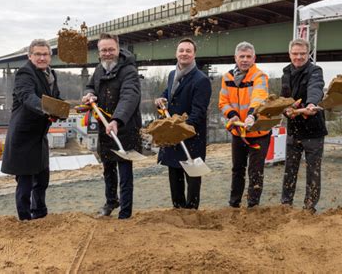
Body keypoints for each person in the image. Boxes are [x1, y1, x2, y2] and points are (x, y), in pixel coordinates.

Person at [82, 33, 141, 219]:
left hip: (124, 127)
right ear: (99, 53)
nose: (107, 53)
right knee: (108, 167)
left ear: (118, 49)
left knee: (124, 171)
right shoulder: (99, 69)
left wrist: (117, 120)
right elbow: (90, 86)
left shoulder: (129, 70)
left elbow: (129, 97)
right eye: (103, 50)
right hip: (104, 127)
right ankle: (110, 201)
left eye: (110, 49)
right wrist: (89, 95)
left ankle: (125, 211)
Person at [1, 39, 61, 221]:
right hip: (23, 137)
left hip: (39, 135)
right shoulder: (24, 74)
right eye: (38, 54)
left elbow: (55, 98)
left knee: (42, 180)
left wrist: (65, 108)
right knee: (25, 183)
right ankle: (25, 219)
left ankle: (40, 214)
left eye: (45, 54)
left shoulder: (51, 74)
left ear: (50, 57)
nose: (42, 58)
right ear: (30, 56)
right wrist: (49, 110)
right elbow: (29, 97)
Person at [154, 38, 211, 209]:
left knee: (192, 178)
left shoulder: (201, 80)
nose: (184, 53)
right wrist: (161, 99)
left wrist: (181, 129)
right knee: (174, 174)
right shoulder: (173, 74)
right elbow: (169, 94)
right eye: (181, 50)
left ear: (194, 54)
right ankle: (177, 209)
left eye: (188, 50)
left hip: (191, 136)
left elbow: (198, 112)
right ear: (176, 53)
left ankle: (192, 211)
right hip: (173, 136)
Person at [219, 41, 271, 208]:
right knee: (237, 170)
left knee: (255, 171)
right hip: (238, 132)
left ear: (254, 58)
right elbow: (223, 102)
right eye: (242, 56)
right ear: (236, 58)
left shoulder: (259, 76)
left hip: (258, 133)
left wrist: (251, 115)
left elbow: (259, 96)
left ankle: (253, 206)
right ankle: (234, 204)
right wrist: (232, 115)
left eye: (248, 57)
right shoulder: (227, 78)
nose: (245, 60)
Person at [280, 38, 328, 213]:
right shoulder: (286, 72)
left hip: (314, 131)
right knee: (289, 169)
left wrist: (311, 104)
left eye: (302, 54)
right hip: (294, 130)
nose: (298, 57)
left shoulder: (315, 71)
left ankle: (309, 207)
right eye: (295, 54)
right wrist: (286, 110)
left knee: (313, 171)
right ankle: (285, 205)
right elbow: (284, 99)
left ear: (308, 54)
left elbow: (316, 87)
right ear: (290, 54)